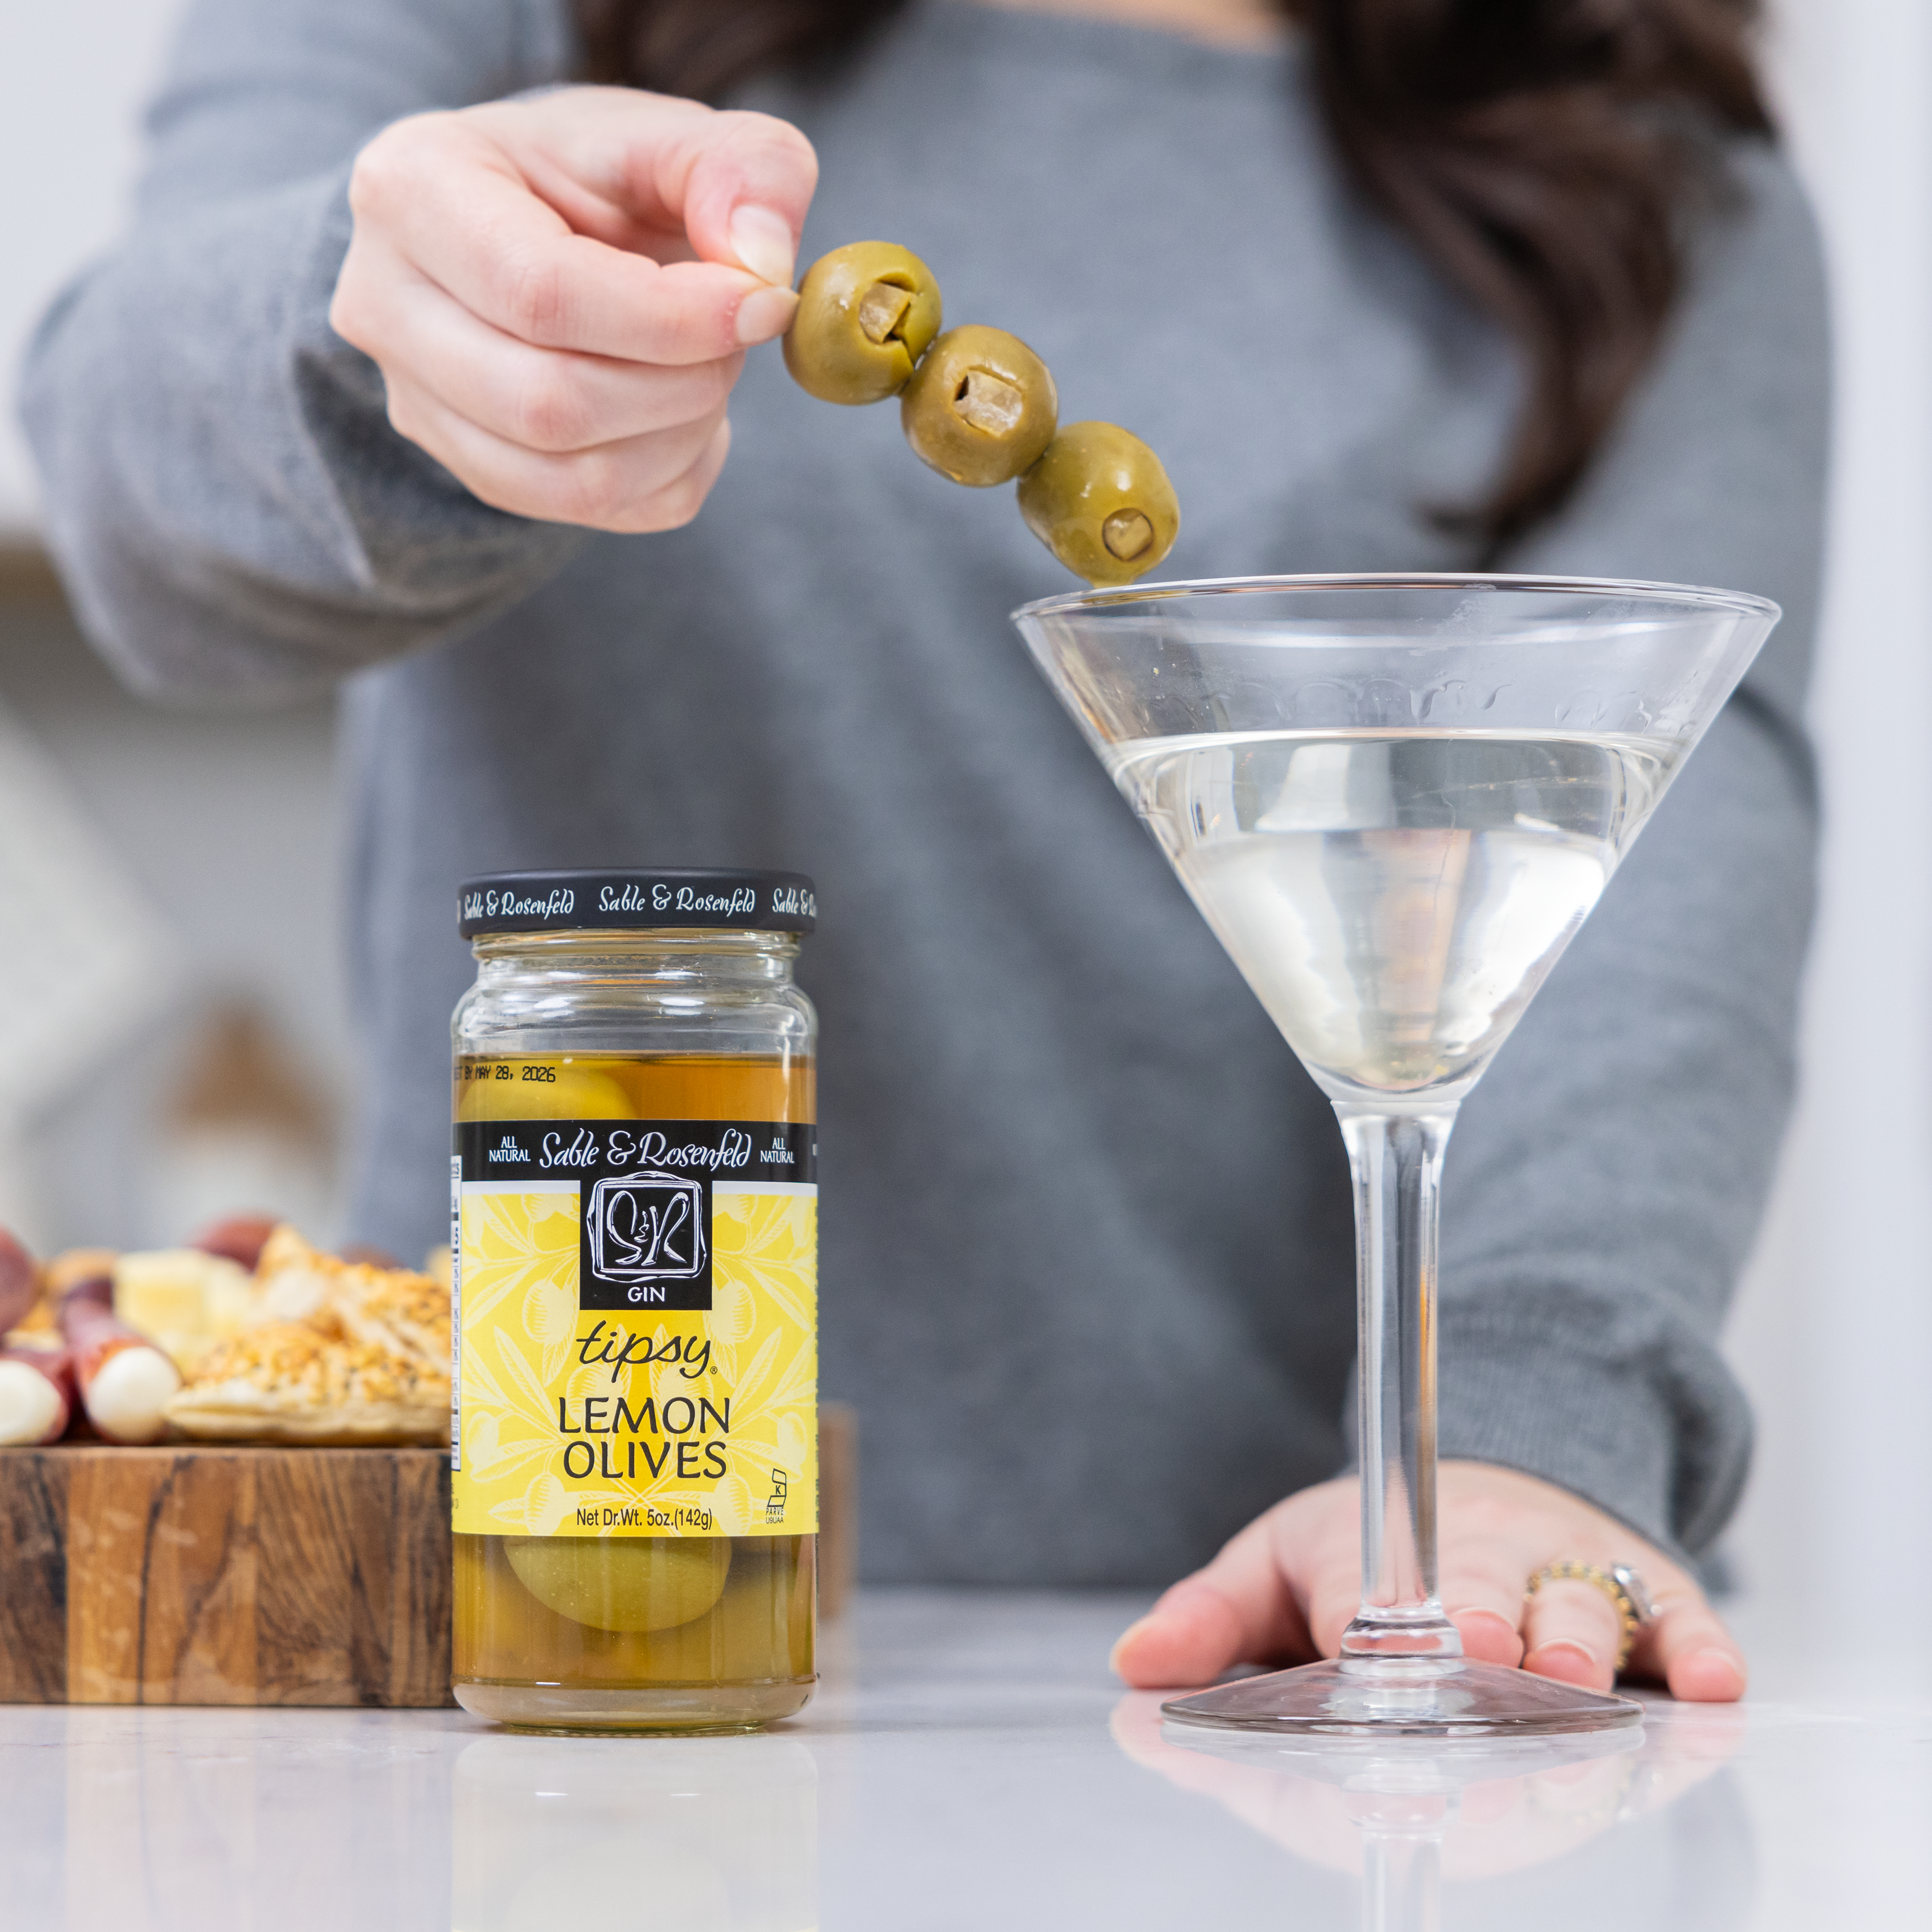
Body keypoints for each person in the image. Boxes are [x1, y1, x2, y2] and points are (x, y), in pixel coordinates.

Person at [19, 0, 1826, 1702]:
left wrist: (1522, 1444)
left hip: (1285, 1671)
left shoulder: (1640, 169)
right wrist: (401, 339)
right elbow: (132, 498)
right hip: (554, 1618)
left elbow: (1657, 858)